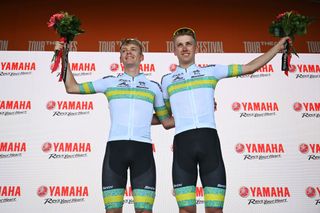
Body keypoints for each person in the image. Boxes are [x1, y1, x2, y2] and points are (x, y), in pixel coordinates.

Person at [161, 27, 289, 213]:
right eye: (179, 45)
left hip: (209, 144)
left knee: (215, 210)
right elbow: (166, 120)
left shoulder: (211, 71)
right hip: (183, 147)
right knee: (186, 210)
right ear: (174, 51)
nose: (184, 48)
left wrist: (277, 47)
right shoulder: (166, 81)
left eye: (188, 43)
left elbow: (250, 67)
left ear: (196, 47)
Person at [54, 38, 174, 213]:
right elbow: (72, 87)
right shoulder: (110, 82)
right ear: (120, 59)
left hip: (143, 152)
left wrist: (203, 109)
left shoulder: (153, 87)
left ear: (142, 57)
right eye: (124, 50)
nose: (128, 52)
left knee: (144, 211)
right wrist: (63, 56)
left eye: (133, 49)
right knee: (113, 211)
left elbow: (166, 121)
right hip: (115, 151)